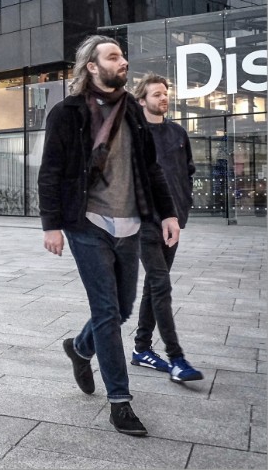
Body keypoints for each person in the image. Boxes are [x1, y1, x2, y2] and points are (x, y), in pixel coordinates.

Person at [38, 35, 180, 437]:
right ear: (92, 67)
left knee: (120, 309)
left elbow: (151, 167)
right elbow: (50, 172)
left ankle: (80, 348)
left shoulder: (133, 110)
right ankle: (120, 401)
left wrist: (167, 212)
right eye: (113, 56)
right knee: (106, 312)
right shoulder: (66, 114)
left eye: (122, 55)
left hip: (131, 223)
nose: (123, 61)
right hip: (87, 224)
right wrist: (51, 225)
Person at [130, 73, 203, 383]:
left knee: (154, 284)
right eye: (156, 94)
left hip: (173, 221)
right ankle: (176, 359)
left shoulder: (177, 133)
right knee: (160, 283)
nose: (163, 98)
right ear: (142, 100)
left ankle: (141, 349)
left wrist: (180, 209)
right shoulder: (134, 134)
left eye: (165, 93)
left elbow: (186, 171)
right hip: (144, 221)